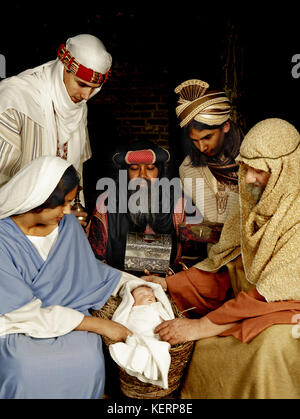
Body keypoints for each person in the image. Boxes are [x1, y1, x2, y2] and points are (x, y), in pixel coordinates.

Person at [144, 118, 300, 398]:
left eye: (259, 171)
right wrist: (170, 285)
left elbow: (271, 296)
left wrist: (200, 326)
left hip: (286, 316)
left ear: (284, 172)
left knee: (269, 350)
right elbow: (226, 269)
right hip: (251, 310)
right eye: (246, 167)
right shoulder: (251, 202)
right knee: (205, 350)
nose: (249, 178)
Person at [0, 156, 139, 399]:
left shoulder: (68, 228)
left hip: (70, 317)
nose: (68, 211)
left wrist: (135, 284)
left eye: (70, 202)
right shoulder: (2, 239)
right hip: (17, 324)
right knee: (25, 367)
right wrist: (101, 325)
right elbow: (20, 312)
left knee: (86, 360)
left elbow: (88, 270)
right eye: (61, 204)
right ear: (37, 200)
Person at [0, 34, 112, 223]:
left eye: (94, 88)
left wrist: (74, 216)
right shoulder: (15, 99)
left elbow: (76, 174)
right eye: (82, 84)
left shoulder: (78, 109)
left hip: (57, 223)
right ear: (64, 68)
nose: (86, 95)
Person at [88, 140, 186, 271]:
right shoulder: (105, 205)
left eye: (150, 168)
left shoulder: (178, 205)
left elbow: (190, 256)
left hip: (168, 284)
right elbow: (95, 259)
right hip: (120, 283)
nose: (142, 175)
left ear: (160, 172)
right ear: (125, 172)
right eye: (134, 168)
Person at [174, 79, 243, 253]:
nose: (202, 147)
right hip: (213, 260)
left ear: (225, 126)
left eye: (207, 137)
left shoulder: (254, 163)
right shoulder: (188, 169)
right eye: (195, 141)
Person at [108, 279, 174, 389]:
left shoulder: (157, 308)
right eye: (142, 294)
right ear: (131, 300)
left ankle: (148, 353)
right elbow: (119, 324)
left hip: (155, 336)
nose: (148, 296)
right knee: (136, 343)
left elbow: (168, 322)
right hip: (137, 336)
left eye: (150, 294)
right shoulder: (131, 311)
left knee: (159, 345)